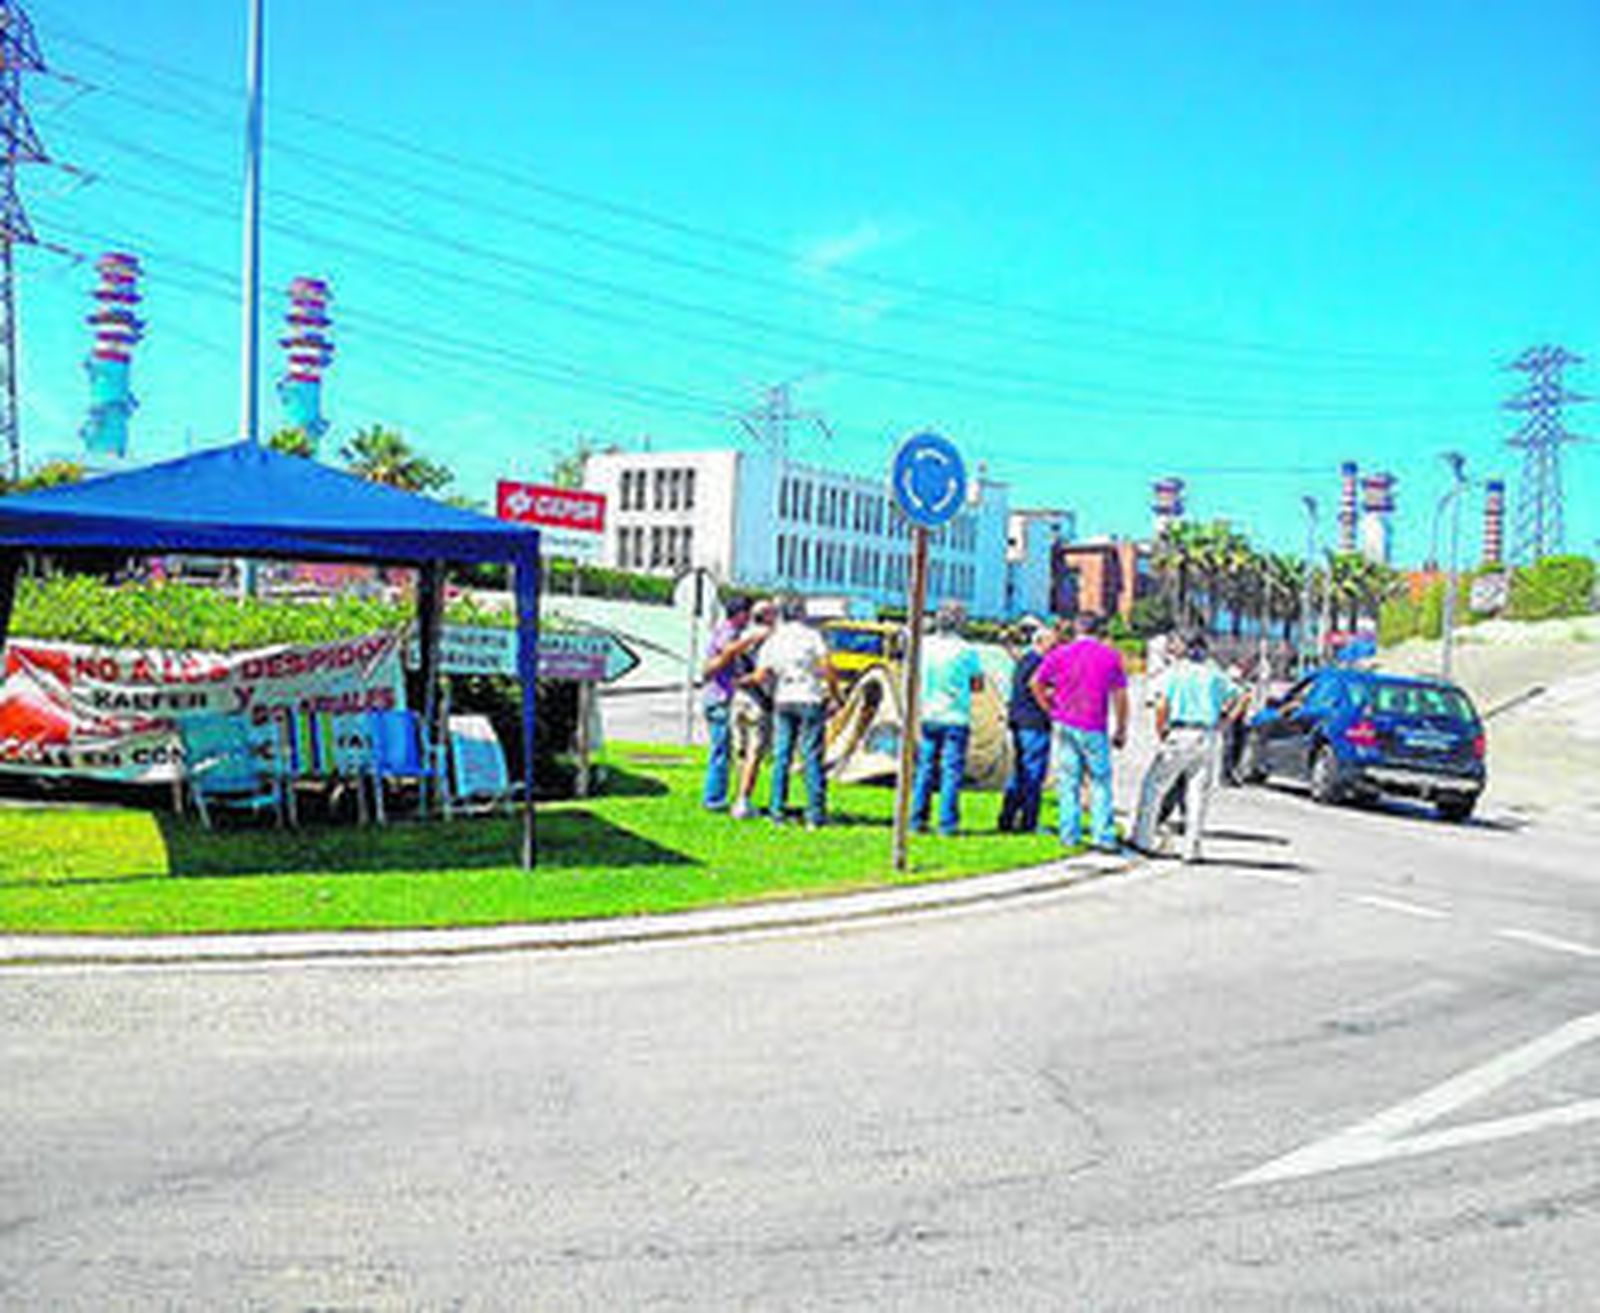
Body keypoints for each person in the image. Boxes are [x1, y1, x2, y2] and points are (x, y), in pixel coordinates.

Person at [1131, 631, 1245, 863]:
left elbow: (1161, 703)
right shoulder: (1215, 675)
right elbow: (1242, 696)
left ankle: (1142, 839)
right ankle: (1191, 849)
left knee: (1154, 786)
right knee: (1197, 794)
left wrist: (1161, 729)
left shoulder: (1175, 673)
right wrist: (1226, 721)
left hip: (1180, 732)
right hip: (1207, 735)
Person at [1030, 612, 1129, 852]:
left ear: (1076, 629)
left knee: (1068, 781)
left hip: (1065, 722)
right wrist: (1122, 729)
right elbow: (1120, 696)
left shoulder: (1060, 654)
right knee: (1100, 781)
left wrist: (1049, 708)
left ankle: (1069, 833)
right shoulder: (1110, 656)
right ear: (1100, 631)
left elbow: (1035, 682)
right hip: (1094, 724)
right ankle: (1102, 835)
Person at [753, 594, 839, 828]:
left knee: (782, 756)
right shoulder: (813, 637)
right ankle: (815, 814)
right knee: (811, 756)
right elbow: (827, 667)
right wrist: (833, 693)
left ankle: (777, 810)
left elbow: (762, 673)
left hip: (784, 697)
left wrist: (768, 690)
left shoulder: (775, 639)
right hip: (810, 696)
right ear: (803, 613)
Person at [910, 601, 986, 837]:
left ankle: (917, 819)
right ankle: (947, 823)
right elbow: (977, 684)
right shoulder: (966, 650)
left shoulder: (924, 645)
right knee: (951, 772)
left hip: (928, 713)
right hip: (955, 715)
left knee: (924, 768)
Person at [699, 594, 766, 811]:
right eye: (748, 614)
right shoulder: (727, 633)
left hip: (720, 697)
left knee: (725, 750)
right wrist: (752, 639)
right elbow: (726, 654)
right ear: (741, 614)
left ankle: (717, 796)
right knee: (721, 750)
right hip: (718, 698)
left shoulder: (730, 633)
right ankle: (714, 799)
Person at [998, 620, 1056, 832]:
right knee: (1033, 773)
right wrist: (1050, 707)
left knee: (1020, 772)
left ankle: (1007, 817)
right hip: (1034, 722)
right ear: (1040, 642)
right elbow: (1036, 685)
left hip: (1019, 720)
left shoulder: (1025, 660)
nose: (1055, 648)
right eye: (1052, 643)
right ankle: (1029, 821)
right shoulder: (1038, 663)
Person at [728, 597, 777, 819]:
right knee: (754, 754)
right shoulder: (770, 638)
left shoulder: (740, 635)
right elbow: (765, 672)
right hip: (758, 699)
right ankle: (743, 801)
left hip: (738, 699)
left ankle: (740, 796)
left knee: (741, 751)